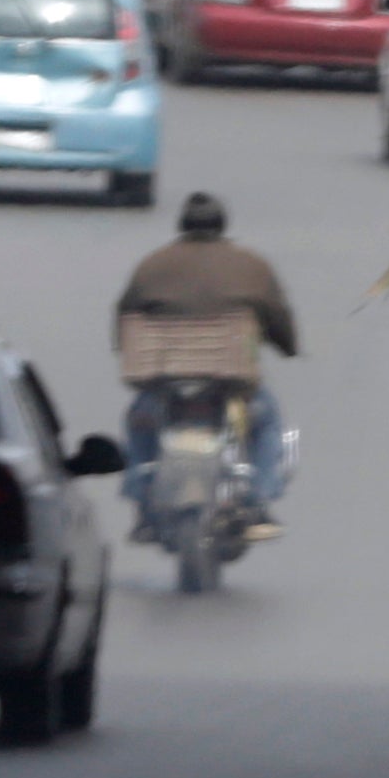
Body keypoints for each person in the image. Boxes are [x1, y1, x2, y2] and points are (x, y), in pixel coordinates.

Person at [114, 191, 298, 539]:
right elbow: (277, 314)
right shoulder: (250, 264)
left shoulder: (153, 264)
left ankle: (141, 503)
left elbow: (126, 313)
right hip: (231, 379)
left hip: (165, 377)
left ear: (182, 224)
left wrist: (125, 347)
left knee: (140, 422)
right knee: (265, 422)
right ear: (222, 225)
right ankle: (258, 501)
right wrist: (288, 346)